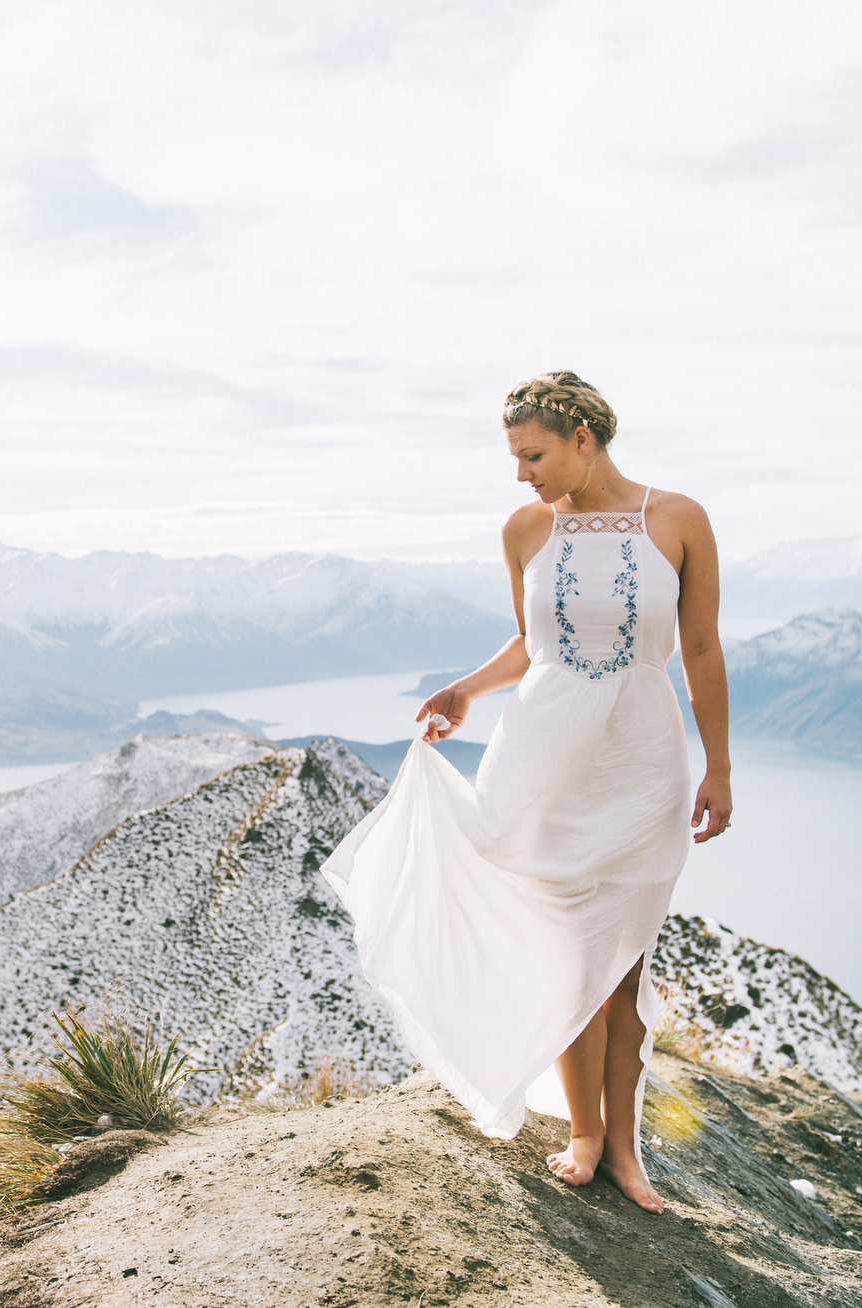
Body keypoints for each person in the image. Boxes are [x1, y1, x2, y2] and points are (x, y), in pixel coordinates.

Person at [320, 370, 731, 1214]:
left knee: (623, 970)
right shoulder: (523, 530)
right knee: (564, 959)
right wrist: (468, 689)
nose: (521, 473)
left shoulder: (680, 519)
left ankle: (626, 1149)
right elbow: (530, 643)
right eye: (515, 457)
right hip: (539, 768)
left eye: (533, 454)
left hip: (642, 769)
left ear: (585, 438)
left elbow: (700, 651)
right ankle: (584, 1135)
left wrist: (719, 768)